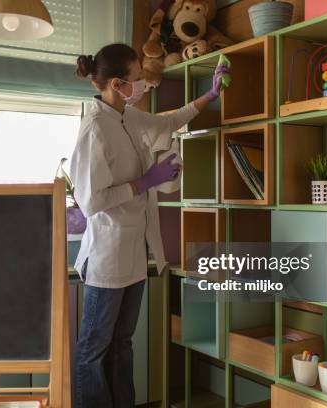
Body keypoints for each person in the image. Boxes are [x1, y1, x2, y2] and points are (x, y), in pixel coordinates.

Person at [70, 43, 228, 408]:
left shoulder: (125, 114)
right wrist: (146, 181)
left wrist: (210, 94)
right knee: (93, 351)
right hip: (107, 259)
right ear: (115, 83)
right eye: (137, 79)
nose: (142, 85)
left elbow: (168, 121)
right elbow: (91, 202)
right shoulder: (95, 128)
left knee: (123, 344)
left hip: (135, 256)